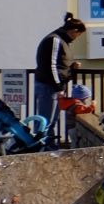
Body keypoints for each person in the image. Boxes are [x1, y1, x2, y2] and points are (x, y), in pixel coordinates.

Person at [34, 14, 86, 144]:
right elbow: (51, 65)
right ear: (74, 31)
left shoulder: (61, 40)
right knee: (46, 120)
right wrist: (58, 86)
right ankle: (42, 148)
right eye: (78, 35)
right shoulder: (55, 40)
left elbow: (59, 63)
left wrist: (71, 66)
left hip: (53, 85)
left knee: (51, 119)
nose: (76, 38)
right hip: (49, 86)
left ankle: (47, 147)